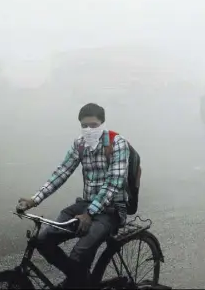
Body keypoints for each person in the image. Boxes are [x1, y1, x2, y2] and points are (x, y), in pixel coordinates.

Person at [16, 103, 130, 288]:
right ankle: (80, 281)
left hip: (111, 209)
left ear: (102, 123)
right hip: (85, 204)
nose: (89, 130)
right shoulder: (80, 144)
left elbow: (113, 184)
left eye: (93, 125)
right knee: (43, 240)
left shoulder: (118, 143)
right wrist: (34, 199)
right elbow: (62, 172)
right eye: (84, 126)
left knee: (79, 252)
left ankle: (77, 282)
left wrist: (90, 214)